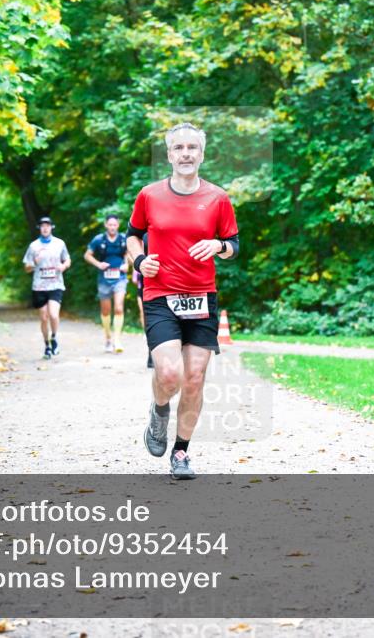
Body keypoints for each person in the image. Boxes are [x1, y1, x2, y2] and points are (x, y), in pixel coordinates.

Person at [126, 122, 239, 480]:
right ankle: (159, 411)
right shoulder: (149, 195)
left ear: (202, 154)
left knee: (194, 378)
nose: (186, 153)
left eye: (192, 148)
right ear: (169, 154)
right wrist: (140, 261)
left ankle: (181, 452)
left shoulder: (218, 198)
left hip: (202, 296)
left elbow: (234, 245)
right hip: (160, 294)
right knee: (170, 374)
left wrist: (218, 245)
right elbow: (133, 236)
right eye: (179, 148)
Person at [23, 216, 71, 359]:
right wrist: (34, 262)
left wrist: (63, 266)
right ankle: (47, 345)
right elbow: (26, 268)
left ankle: (54, 337)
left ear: (51, 227)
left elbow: (67, 259)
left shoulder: (59, 243)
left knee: (53, 315)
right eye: (42, 226)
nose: (45, 228)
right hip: (39, 286)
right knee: (44, 317)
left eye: (47, 226)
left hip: (56, 284)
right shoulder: (33, 246)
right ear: (39, 228)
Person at [83, 214, 129, 353]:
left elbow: (128, 254)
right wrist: (98, 264)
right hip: (104, 279)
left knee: (119, 308)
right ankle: (108, 337)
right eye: (110, 224)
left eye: (115, 224)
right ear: (106, 225)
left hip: (120, 278)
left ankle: (117, 340)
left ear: (118, 225)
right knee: (105, 311)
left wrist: (127, 264)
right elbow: (87, 255)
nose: (112, 227)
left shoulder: (123, 239)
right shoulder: (99, 239)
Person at [132, 233, 153, 368]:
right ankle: (151, 355)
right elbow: (135, 279)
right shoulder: (144, 238)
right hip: (145, 290)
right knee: (149, 319)